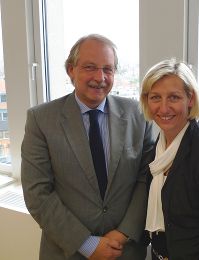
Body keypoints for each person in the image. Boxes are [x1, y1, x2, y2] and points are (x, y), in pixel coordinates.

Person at [21, 34, 154, 260]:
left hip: (125, 250)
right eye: (90, 67)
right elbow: (38, 193)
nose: (100, 77)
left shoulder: (138, 115)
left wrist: (123, 233)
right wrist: (87, 244)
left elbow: (146, 179)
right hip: (68, 251)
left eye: (108, 69)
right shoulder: (41, 119)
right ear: (71, 70)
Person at [139, 58, 199, 259]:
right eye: (156, 97)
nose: (163, 108)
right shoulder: (153, 151)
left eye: (173, 97)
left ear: (190, 99)